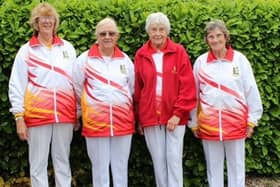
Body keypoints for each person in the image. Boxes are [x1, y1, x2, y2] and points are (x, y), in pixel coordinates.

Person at [8, 2, 78, 187]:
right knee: (38, 165)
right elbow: (16, 85)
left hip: (64, 116)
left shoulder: (67, 48)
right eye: (43, 19)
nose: (47, 22)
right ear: (36, 23)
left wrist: (77, 113)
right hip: (37, 117)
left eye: (50, 18)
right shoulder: (26, 51)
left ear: (56, 22)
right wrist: (19, 117)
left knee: (63, 162)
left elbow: (76, 83)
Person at [189, 19, 263, 187]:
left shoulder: (240, 60)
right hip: (209, 125)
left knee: (237, 167)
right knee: (213, 168)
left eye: (218, 35)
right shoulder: (201, 62)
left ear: (226, 37)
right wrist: (193, 122)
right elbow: (194, 95)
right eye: (210, 36)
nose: (215, 40)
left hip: (236, 124)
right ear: (206, 40)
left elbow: (251, 90)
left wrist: (252, 120)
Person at [134, 12, 197, 187]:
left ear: (167, 31)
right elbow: (139, 88)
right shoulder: (141, 54)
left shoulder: (178, 51)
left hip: (175, 115)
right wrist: (139, 118)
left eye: (161, 29)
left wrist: (178, 114)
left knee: (174, 159)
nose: (158, 33)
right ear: (148, 31)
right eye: (154, 29)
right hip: (150, 116)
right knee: (158, 160)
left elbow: (188, 86)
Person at [73, 17, 135, 187]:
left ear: (117, 36)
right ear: (97, 36)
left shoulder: (125, 61)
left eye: (111, 33)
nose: (107, 36)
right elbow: (78, 88)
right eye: (103, 33)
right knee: (100, 169)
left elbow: (132, 88)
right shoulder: (84, 60)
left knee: (121, 168)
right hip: (95, 123)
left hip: (123, 123)